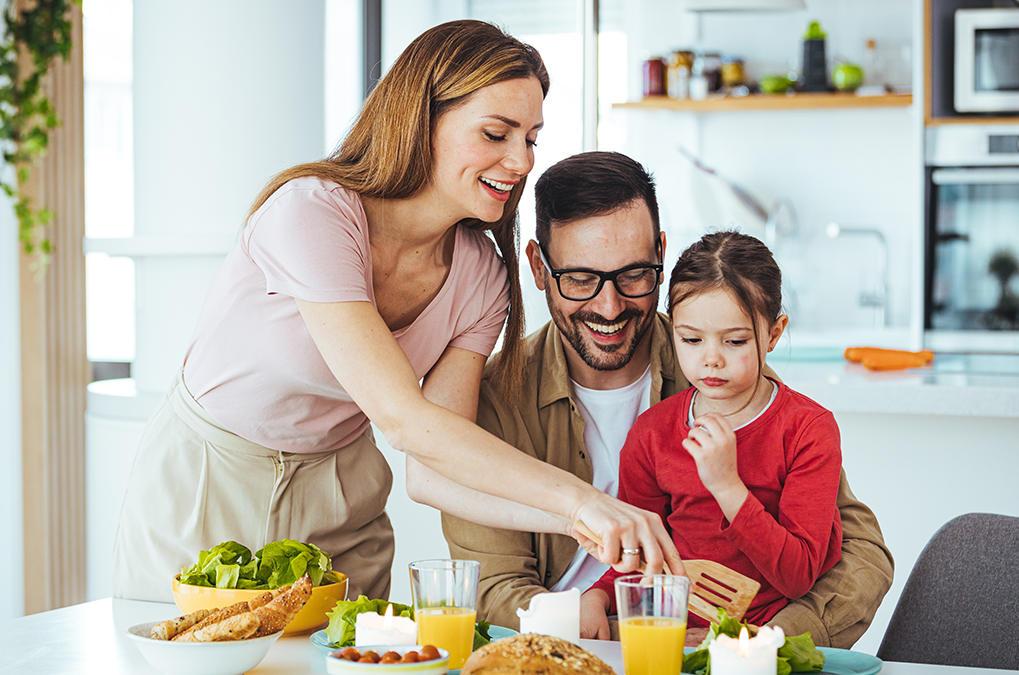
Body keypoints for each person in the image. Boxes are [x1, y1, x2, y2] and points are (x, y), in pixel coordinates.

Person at [111, 22, 680, 604]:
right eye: (495, 133)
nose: (520, 161)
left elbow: (435, 470)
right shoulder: (313, 214)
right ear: (421, 121)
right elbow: (404, 419)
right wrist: (583, 500)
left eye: (531, 139)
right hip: (213, 478)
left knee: (349, 652)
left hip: (343, 494)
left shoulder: (482, 275)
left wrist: (583, 523)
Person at [434, 151, 893, 648]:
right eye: (581, 279)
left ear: (661, 253)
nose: (609, 307)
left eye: (633, 274)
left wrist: (755, 646)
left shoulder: (726, 374)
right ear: (539, 268)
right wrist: (619, 634)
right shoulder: (493, 401)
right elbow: (494, 588)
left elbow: (860, 552)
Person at [581, 230, 843, 638]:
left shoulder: (808, 430)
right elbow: (639, 557)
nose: (711, 359)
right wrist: (597, 597)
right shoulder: (652, 434)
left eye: (735, 341)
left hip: (762, 647)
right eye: (691, 339)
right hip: (669, 639)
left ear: (773, 334)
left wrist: (727, 486)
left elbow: (798, 575)